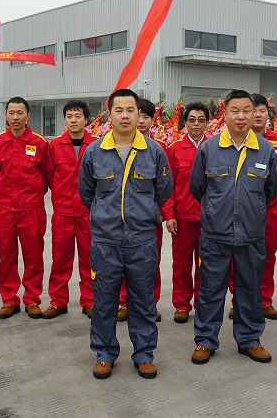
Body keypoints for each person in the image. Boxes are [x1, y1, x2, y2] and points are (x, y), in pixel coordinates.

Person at [79, 88, 172, 380]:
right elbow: (86, 192)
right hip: (105, 242)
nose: (125, 116)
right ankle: (104, 353)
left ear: (138, 114)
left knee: (143, 300)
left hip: (142, 241)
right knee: (104, 301)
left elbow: (163, 191)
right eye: (118, 110)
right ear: (109, 114)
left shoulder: (154, 151)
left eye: (130, 110)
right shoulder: (94, 151)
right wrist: (104, 215)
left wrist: (144, 214)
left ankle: (144, 354)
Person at [189, 90, 277, 366]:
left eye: (246, 111)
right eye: (235, 111)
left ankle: (250, 339)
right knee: (210, 290)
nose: (241, 116)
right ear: (224, 114)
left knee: (250, 290)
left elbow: (271, 190)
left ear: (255, 114)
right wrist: (216, 212)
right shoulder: (209, 148)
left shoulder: (265, 149)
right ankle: (205, 341)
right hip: (215, 235)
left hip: (251, 235)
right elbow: (197, 187)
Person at [228, 93, 277, 320]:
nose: (257, 115)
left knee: (267, 256)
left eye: (262, 110)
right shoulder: (231, 142)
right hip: (239, 210)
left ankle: (264, 300)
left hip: (269, 209)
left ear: (268, 114)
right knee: (238, 257)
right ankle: (238, 301)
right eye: (252, 110)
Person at [0, 97, 49, 320]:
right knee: (6, 256)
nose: (15, 117)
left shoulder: (40, 143)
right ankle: (9, 300)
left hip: (32, 209)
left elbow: (47, 176)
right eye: (11, 113)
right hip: (6, 209)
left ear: (28, 116)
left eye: (20, 113)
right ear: (6, 115)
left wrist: (32, 197)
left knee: (33, 256)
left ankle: (32, 299)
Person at [42, 100, 97, 319]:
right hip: (63, 213)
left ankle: (90, 301)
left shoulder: (96, 145)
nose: (73, 120)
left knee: (90, 259)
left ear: (86, 120)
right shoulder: (54, 146)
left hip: (88, 213)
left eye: (78, 116)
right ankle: (58, 301)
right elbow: (49, 176)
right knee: (60, 258)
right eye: (69, 116)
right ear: (64, 120)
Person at [117, 98, 163, 322]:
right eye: (139, 115)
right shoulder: (113, 146)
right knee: (120, 262)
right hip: (119, 219)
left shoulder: (158, 148)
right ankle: (124, 302)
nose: (141, 120)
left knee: (150, 262)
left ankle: (150, 303)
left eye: (146, 116)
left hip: (148, 219)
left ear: (152, 120)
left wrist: (157, 210)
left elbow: (165, 186)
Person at [163, 102, 209, 323]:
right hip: (182, 219)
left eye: (201, 120)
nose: (196, 124)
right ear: (185, 123)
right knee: (181, 264)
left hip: (209, 219)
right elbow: (167, 186)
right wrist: (169, 214)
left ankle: (202, 302)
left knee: (205, 264)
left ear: (207, 123)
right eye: (192, 120)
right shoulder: (174, 150)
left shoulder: (214, 148)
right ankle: (181, 304)